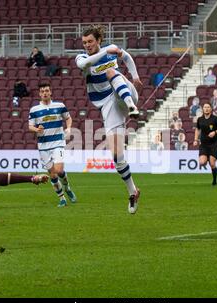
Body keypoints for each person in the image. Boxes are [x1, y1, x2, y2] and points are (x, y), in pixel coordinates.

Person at [75, 24, 141, 213]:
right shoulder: (82, 57)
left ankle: (132, 106)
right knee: (116, 156)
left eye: (90, 41)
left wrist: (135, 77)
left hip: (125, 92)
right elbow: (83, 65)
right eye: (85, 42)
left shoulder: (111, 50)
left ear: (98, 40)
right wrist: (106, 52)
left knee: (111, 72)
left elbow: (126, 56)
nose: (87, 45)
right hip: (108, 105)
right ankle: (133, 192)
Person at [28, 83, 77, 207]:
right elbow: (30, 126)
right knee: (52, 174)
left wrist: (69, 128)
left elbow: (68, 118)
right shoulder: (34, 110)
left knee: (59, 170)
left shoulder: (60, 106)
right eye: (42, 91)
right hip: (43, 146)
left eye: (47, 91)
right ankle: (62, 198)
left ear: (50, 92)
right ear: (39, 94)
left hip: (58, 143)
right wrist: (36, 130)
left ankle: (67, 187)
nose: (45, 93)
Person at [193, 103, 217, 185]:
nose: (206, 109)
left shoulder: (215, 119)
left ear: (211, 109)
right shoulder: (200, 119)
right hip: (204, 144)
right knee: (202, 162)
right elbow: (197, 129)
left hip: (213, 144)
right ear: (203, 109)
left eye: (208, 107)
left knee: (212, 164)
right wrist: (195, 139)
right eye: (205, 107)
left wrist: (215, 132)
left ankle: (214, 180)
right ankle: (208, 157)